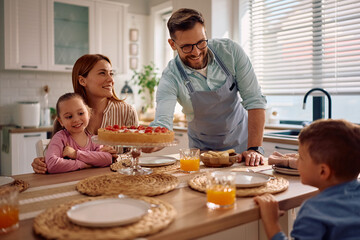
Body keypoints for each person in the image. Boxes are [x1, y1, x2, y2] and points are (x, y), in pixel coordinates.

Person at [149, 8, 267, 166]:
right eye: (187, 47)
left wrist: (254, 148)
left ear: (205, 33)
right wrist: (148, 143)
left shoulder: (230, 51)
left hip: (243, 150)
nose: (196, 52)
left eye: (201, 42)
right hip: (203, 155)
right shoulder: (171, 76)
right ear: (172, 44)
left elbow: (254, 100)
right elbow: (163, 124)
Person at [254, 119, 360, 240]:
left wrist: (271, 222)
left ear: (323, 171)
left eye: (301, 158)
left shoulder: (315, 210)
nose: (297, 162)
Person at [32, 54, 138, 173]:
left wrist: (115, 158)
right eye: (102, 73)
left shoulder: (127, 112)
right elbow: (54, 156)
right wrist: (42, 162)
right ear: (82, 80)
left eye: (111, 73)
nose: (111, 80)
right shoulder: (67, 118)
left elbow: (136, 154)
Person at [45, 93, 116, 173]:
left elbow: (107, 159)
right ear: (61, 121)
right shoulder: (60, 138)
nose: (76, 119)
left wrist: (76, 154)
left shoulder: (94, 139)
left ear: (88, 113)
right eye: (69, 116)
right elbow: (52, 165)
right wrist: (84, 165)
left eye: (81, 113)